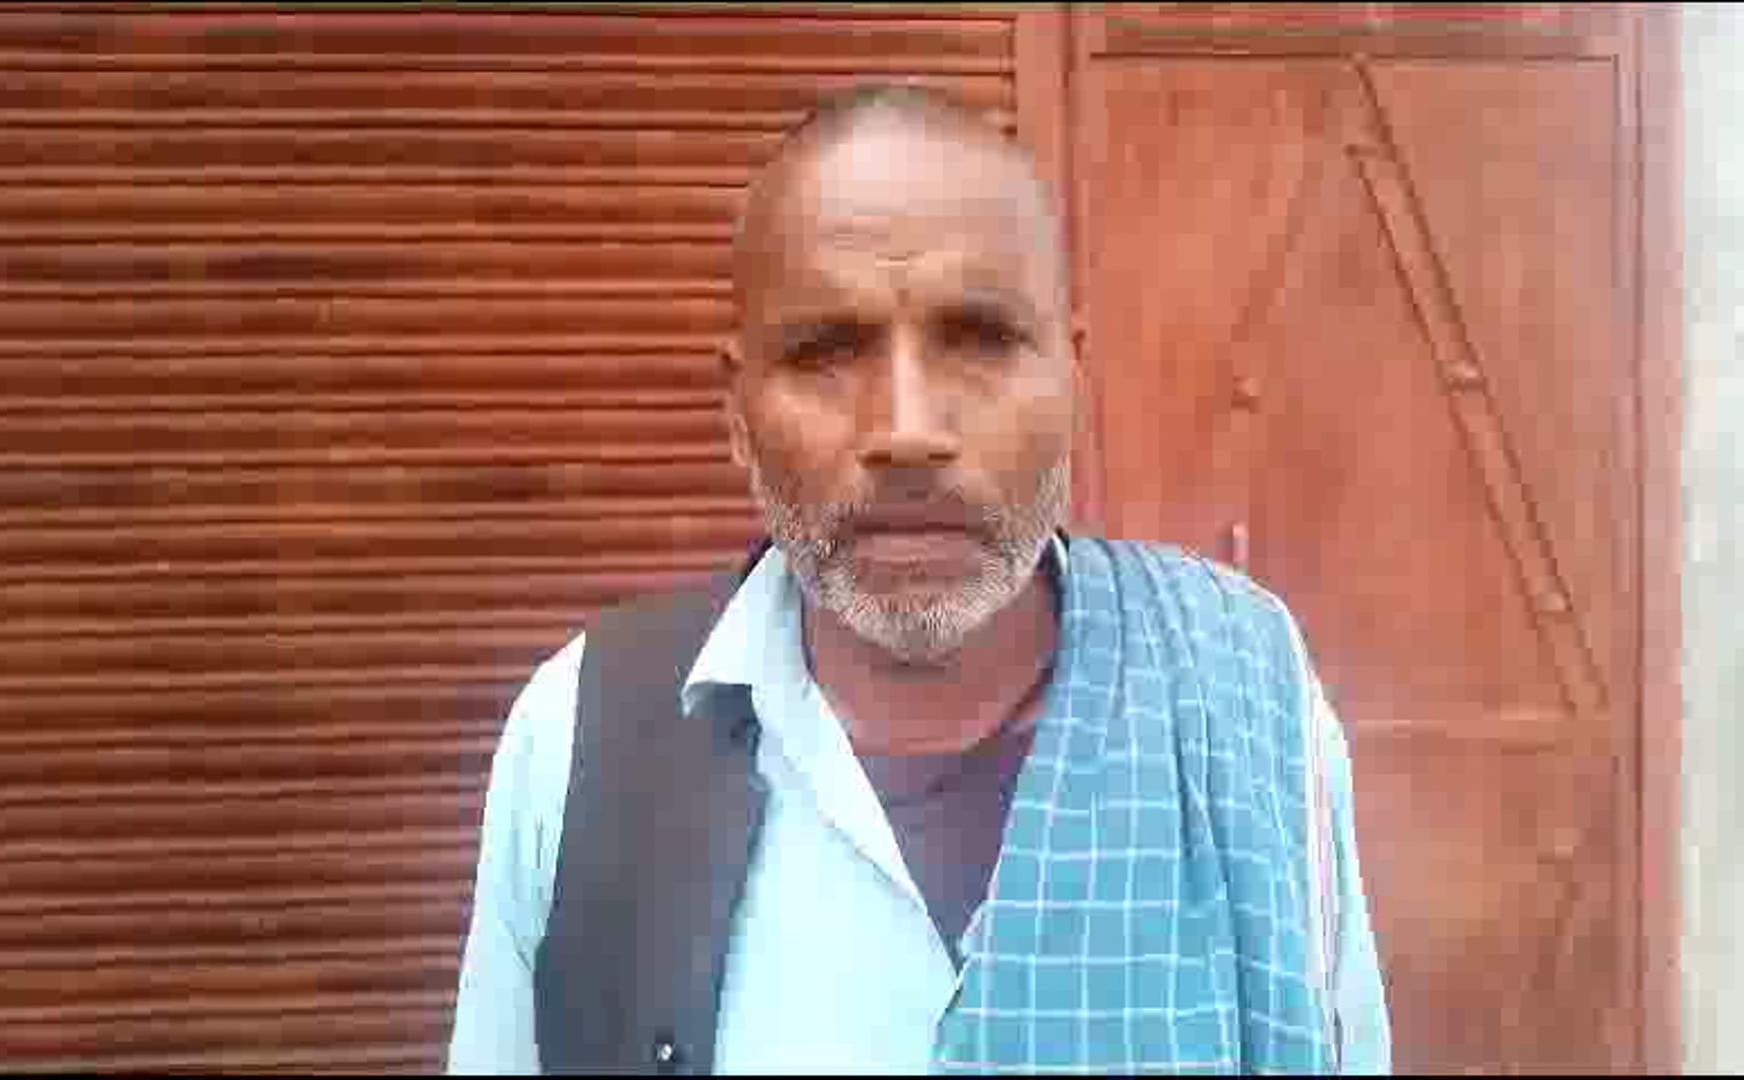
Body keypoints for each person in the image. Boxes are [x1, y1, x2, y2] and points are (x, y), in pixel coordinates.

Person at [447, 85, 1391, 1075]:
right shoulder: (580, 735)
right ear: (737, 416)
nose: (907, 431)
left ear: (1071, 385)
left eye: (979, 340)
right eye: (826, 351)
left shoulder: (1248, 694)